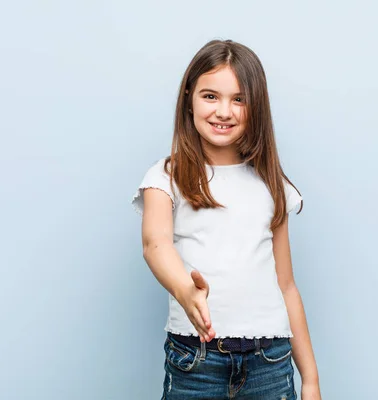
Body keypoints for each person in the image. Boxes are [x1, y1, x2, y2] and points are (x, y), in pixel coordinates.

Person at [131, 39, 322, 400]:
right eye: (210, 96)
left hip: (271, 361)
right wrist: (185, 290)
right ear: (189, 98)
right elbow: (155, 245)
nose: (224, 111)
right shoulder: (166, 177)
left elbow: (287, 285)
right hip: (196, 361)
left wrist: (309, 378)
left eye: (239, 99)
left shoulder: (272, 184)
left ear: (257, 108)